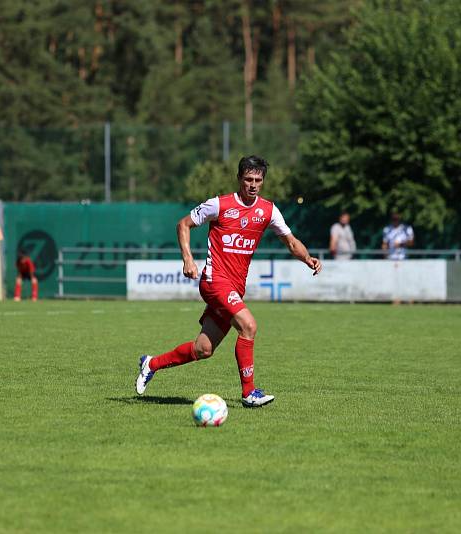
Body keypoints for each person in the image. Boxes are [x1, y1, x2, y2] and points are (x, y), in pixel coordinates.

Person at [135, 155, 322, 407]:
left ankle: (151, 363)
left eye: (258, 180)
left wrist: (308, 258)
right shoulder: (219, 205)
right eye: (248, 179)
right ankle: (249, 393)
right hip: (214, 281)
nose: (253, 184)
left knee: (203, 349)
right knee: (249, 326)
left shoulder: (268, 210)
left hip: (235, 287)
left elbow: (290, 241)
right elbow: (183, 225)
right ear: (239, 179)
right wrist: (188, 260)